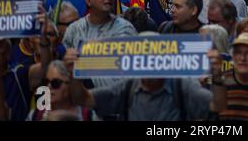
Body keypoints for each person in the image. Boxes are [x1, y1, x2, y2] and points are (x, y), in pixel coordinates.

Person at [63, 45, 226, 121]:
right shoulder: (127, 87)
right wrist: (73, 75)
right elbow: (83, 99)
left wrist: (217, 77)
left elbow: (216, 106)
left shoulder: (182, 86)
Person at [27, 60, 98, 121]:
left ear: (70, 84)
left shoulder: (88, 116)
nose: (49, 86)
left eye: (55, 83)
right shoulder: (35, 115)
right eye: (46, 82)